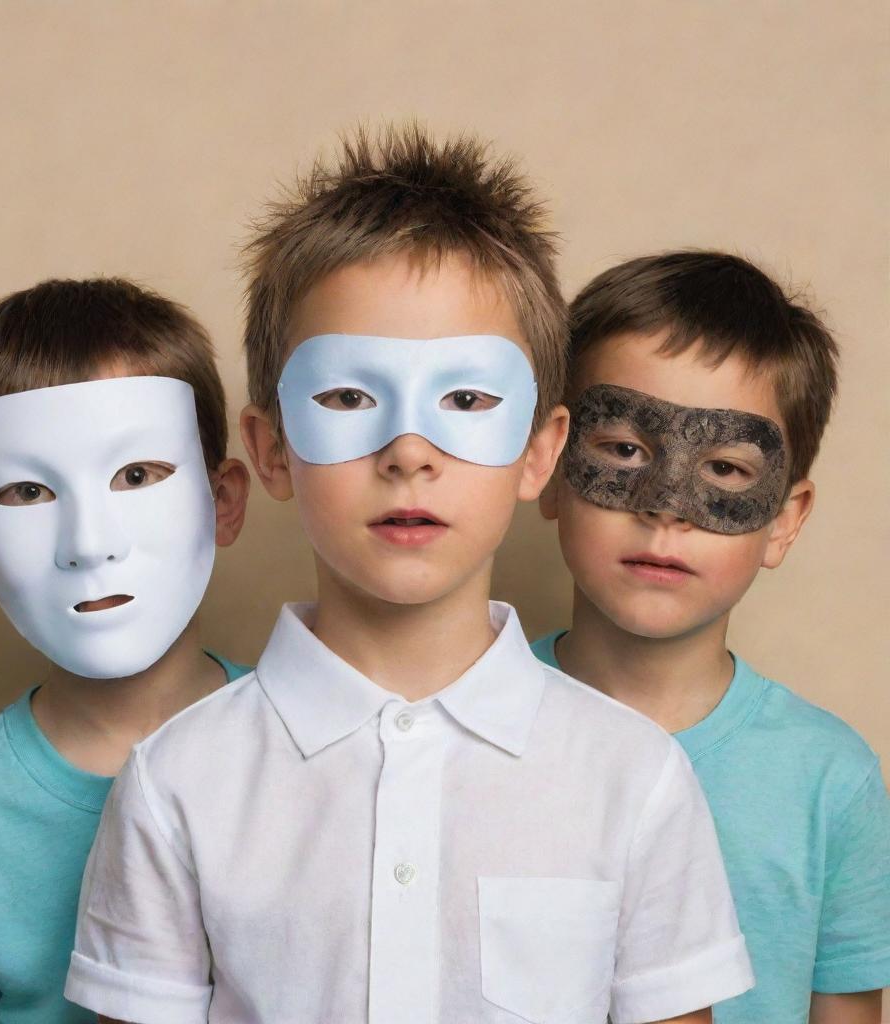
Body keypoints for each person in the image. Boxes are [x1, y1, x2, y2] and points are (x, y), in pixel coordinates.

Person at [67, 128, 753, 1024]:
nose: (408, 451)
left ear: (540, 453)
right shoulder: (177, 782)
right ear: (271, 450)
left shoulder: (634, 777)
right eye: (349, 396)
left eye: (466, 400)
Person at [0, 278, 252, 1024]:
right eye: (25, 493)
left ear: (224, 501)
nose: (88, 544)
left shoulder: (316, 744)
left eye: (136, 475)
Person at [533, 250, 890, 1023]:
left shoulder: (831, 783)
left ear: (785, 520)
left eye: (726, 469)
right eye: (624, 450)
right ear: (550, 466)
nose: (667, 507)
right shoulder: (459, 723)